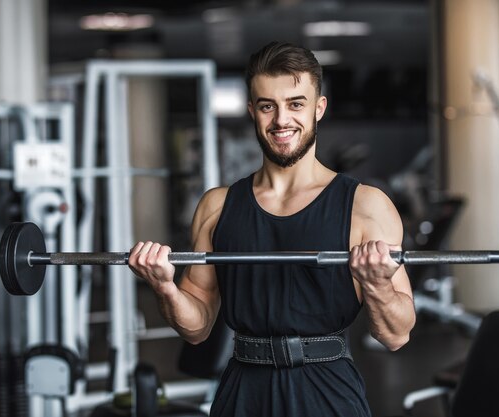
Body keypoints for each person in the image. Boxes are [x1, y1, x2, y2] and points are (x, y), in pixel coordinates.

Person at [128, 41, 416, 417]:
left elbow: (396, 335)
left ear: (319, 108)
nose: (282, 120)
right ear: (252, 111)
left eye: (296, 104)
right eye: (268, 106)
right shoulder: (218, 207)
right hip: (242, 390)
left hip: (327, 390)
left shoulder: (366, 206)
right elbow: (196, 327)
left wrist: (377, 285)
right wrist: (164, 286)